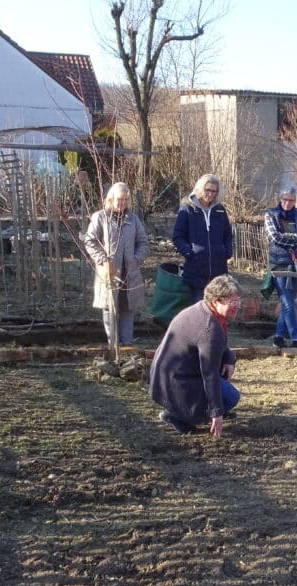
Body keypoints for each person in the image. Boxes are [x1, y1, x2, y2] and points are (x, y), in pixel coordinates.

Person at [150, 274, 242, 437]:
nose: (237, 306)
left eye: (238, 300)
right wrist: (216, 412)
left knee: (226, 389)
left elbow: (220, 345)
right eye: (232, 302)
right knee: (231, 397)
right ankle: (177, 415)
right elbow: (210, 374)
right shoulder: (209, 328)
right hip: (176, 383)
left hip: (167, 376)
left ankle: (194, 408)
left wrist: (229, 358)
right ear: (215, 301)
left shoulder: (204, 309)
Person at [84, 182, 150, 347]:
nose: (123, 203)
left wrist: (136, 259)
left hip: (130, 273)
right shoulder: (100, 217)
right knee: (109, 308)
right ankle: (113, 346)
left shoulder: (133, 219)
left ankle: (127, 345)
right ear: (111, 199)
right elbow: (90, 241)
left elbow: (143, 243)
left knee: (128, 308)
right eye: (120, 199)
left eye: (126, 200)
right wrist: (103, 261)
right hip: (109, 273)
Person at [172, 174, 233, 303]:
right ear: (201, 189)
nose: (210, 194)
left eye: (214, 191)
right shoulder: (187, 209)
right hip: (196, 269)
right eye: (207, 190)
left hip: (219, 269)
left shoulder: (220, 210)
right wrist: (189, 253)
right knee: (200, 310)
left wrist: (227, 251)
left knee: (218, 308)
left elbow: (228, 234)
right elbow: (177, 236)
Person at [264, 185, 297, 349]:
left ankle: (278, 336)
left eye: (291, 200)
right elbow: (274, 237)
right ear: (280, 199)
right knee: (287, 301)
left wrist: (290, 237)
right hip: (279, 264)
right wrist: (296, 238)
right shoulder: (270, 214)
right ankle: (296, 338)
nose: (288, 203)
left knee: (288, 301)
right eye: (285, 199)